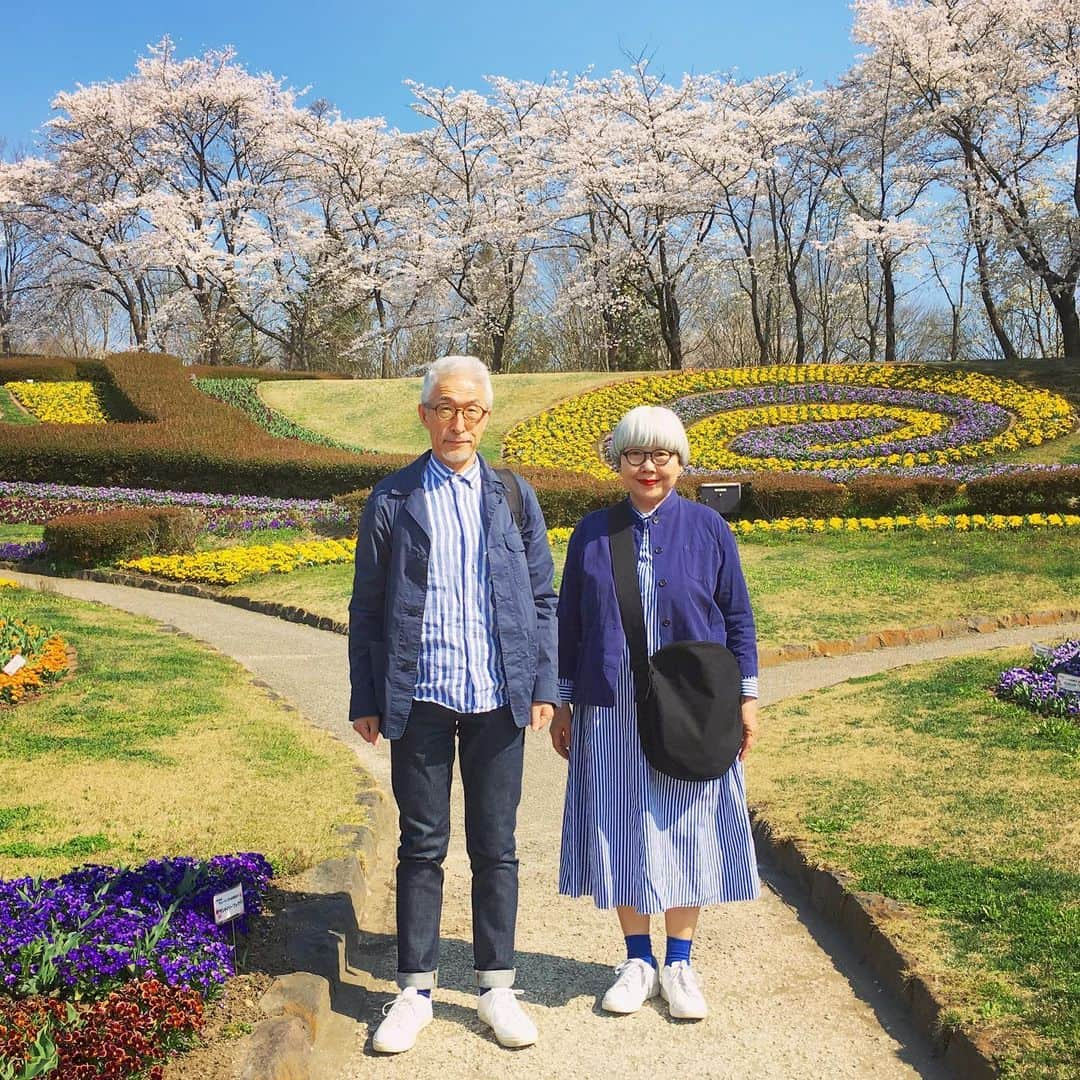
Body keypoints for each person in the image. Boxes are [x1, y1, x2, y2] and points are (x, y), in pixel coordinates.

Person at [349, 355, 558, 1053]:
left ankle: (497, 985)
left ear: (486, 418)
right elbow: (367, 609)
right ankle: (414, 990)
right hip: (422, 693)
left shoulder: (514, 496)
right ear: (424, 415)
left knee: (496, 846)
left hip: (499, 697)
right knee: (423, 845)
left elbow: (542, 600)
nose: (457, 422)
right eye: (444, 408)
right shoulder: (392, 499)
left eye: (470, 410)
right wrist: (365, 695)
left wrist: (542, 684)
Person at [549, 404, 760, 1021]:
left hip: (693, 703)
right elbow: (570, 624)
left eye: (661, 455)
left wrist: (747, 698)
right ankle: (637, 958)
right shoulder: (593, 532)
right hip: (611, 705)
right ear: (617, 462)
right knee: (619, 823)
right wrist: (564, 701)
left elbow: (739, 618)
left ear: (680, 461)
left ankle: (681, 962)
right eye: (635, 455)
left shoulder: (708, 529)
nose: (649, 467)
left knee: (687, 825)